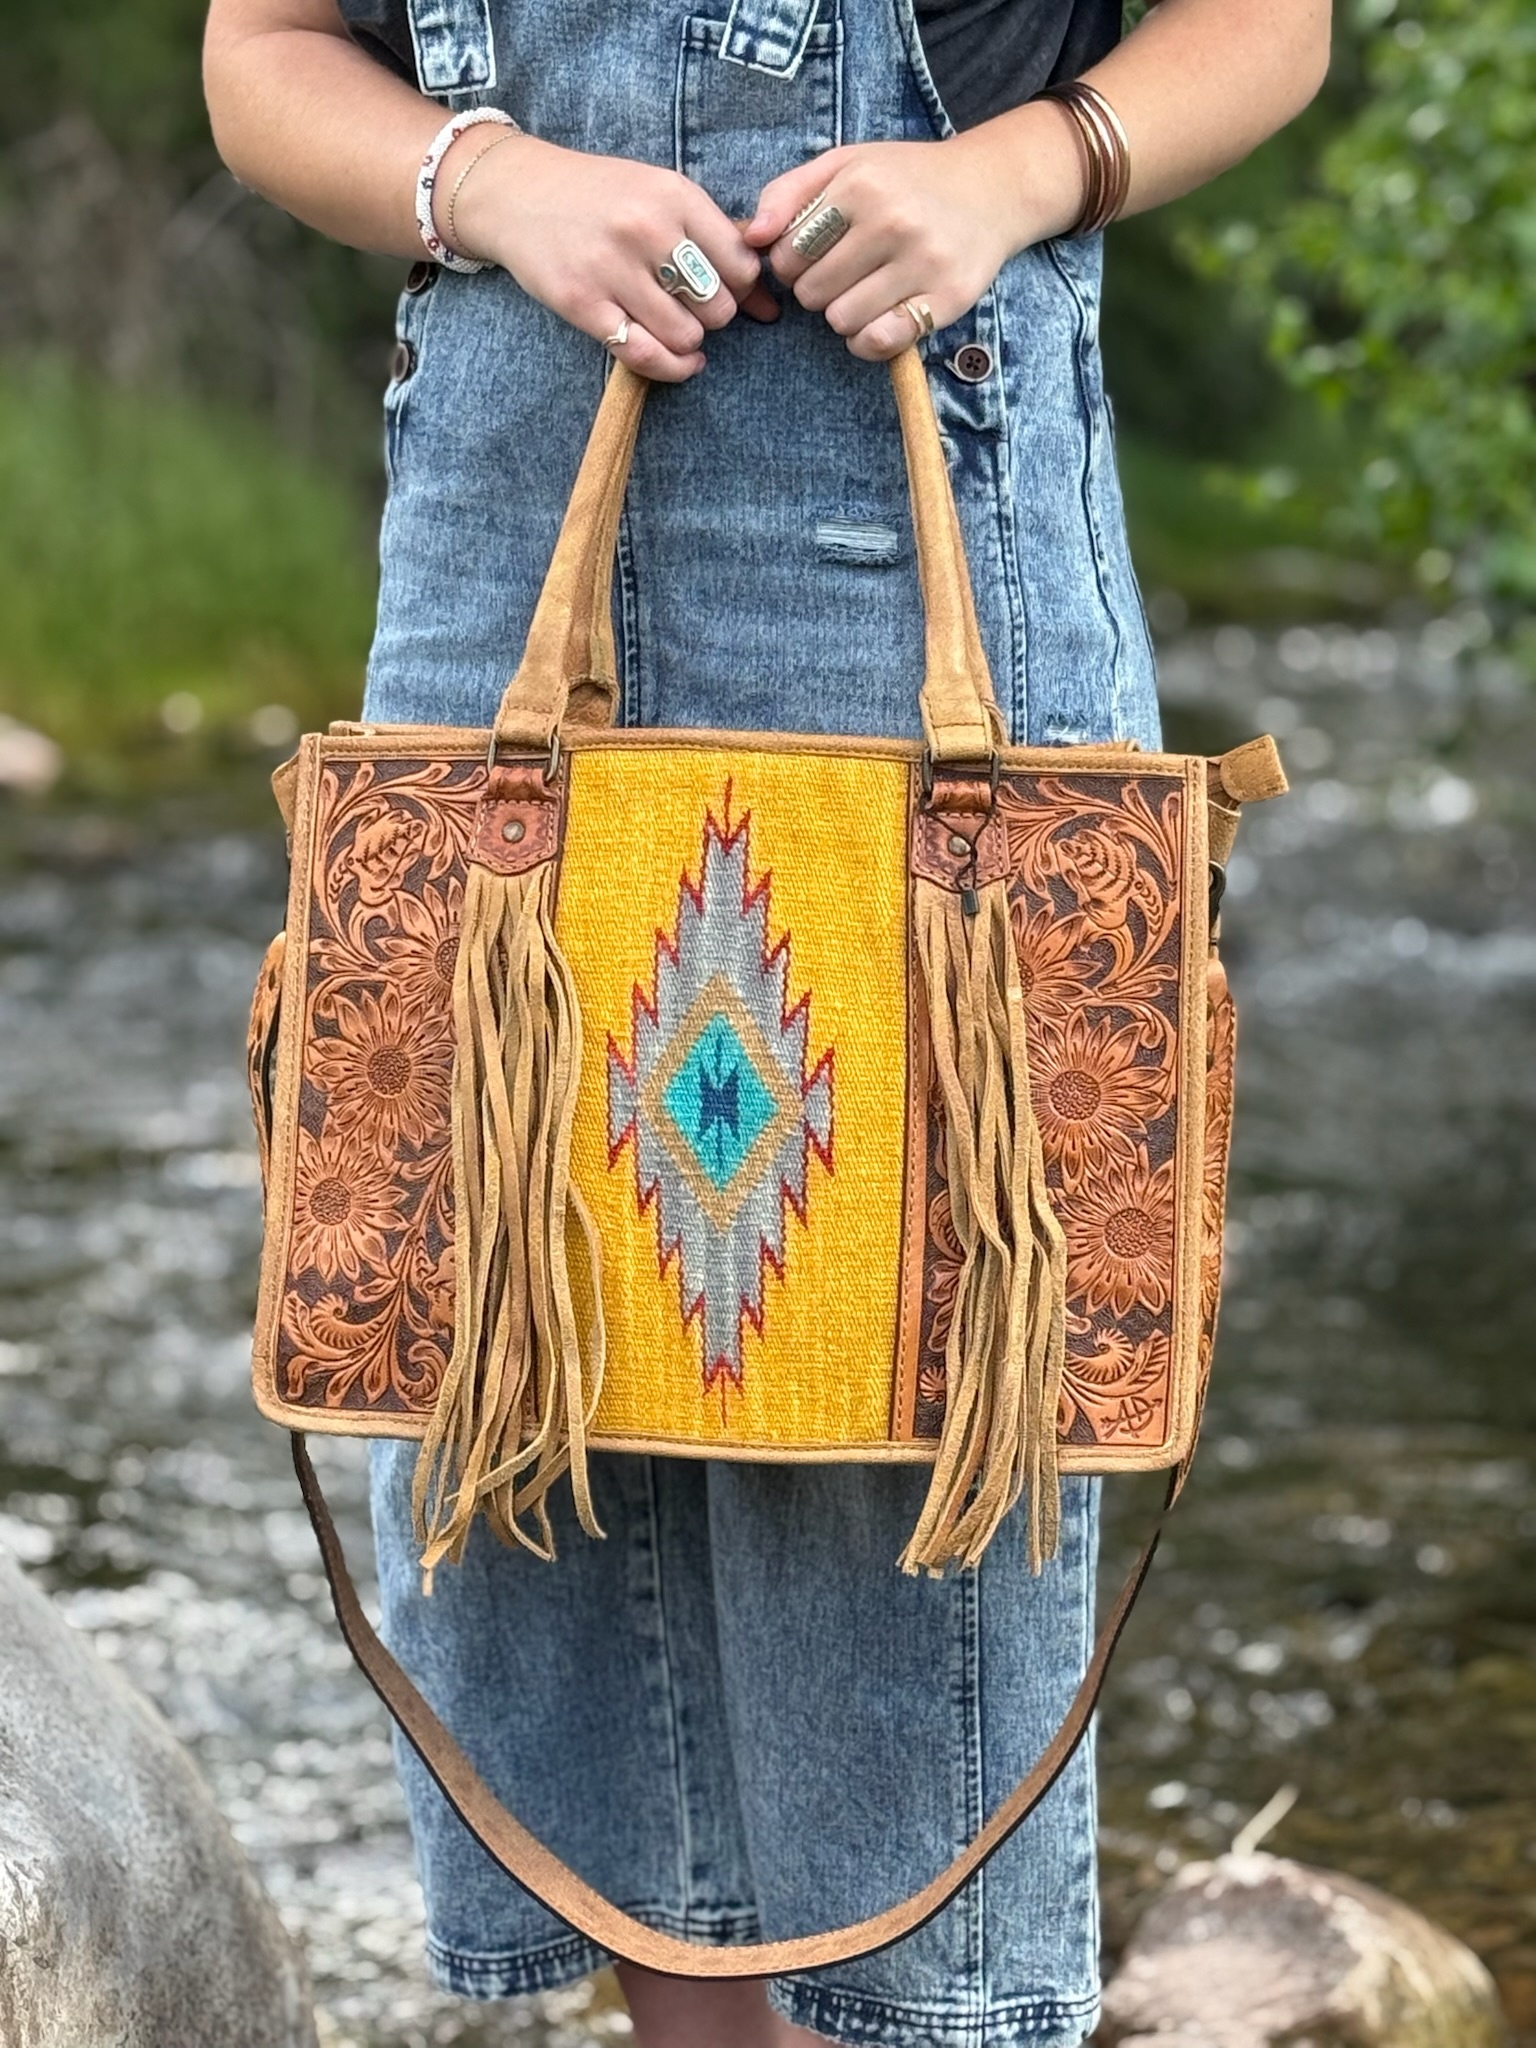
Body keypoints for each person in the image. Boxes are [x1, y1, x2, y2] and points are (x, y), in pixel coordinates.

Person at [203, 0, 1328, 2040]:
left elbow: (1271, 25)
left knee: (905, 1392)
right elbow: (261, 51)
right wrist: (490, 183)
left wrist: (1014, 171)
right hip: (498, 557)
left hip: (919, 582)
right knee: (551, 1387)